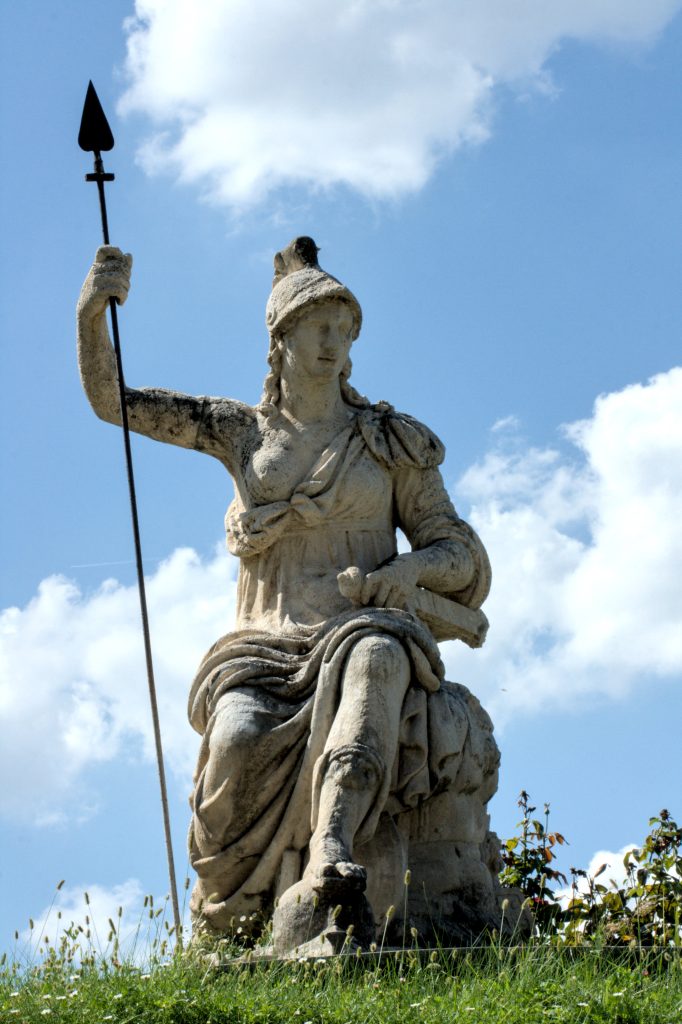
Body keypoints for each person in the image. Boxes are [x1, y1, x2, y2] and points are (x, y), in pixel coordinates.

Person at [77, 237, 499, 947]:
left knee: (374, 667)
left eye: (345, 328)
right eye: (319, 327)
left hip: (363, 625)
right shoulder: (242, 433)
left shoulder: (389, 442)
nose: (334, 342)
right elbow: (113, 402)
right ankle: (232, 922)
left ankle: (334, 849)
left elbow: (459, 553)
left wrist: (406, 574)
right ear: (282, 336)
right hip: (263, 646)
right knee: (237, 737)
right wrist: (94, 311)